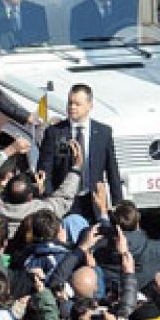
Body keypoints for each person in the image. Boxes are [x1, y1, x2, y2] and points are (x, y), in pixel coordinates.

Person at [36, 84, 122, 220]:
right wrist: (50, 200)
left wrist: (118, 205)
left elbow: (113, 171)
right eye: (70, 103)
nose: (72, 107)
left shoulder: (103, 133)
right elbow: (45, 170)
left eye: (77, 104)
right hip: (64, 201)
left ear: (89, 106)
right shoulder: (55, 132)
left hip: (92, 201)